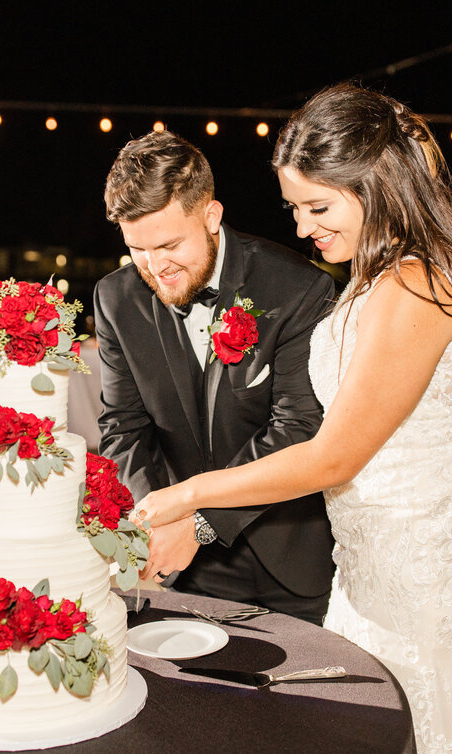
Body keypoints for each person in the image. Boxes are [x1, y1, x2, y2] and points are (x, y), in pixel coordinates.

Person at [135, 85, 452, 754]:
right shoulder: (383, 273)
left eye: (318, 207)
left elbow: (335, 455)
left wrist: (187, 494)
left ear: (378, 186)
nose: (301, 227)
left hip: (421, 565)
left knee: (422, 742)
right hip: (373, 555)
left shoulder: (415, 285)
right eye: (294, 208)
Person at [94, 130, 337, 624]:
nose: (155, 267)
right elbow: (123, 427)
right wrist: (153, 523)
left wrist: (201, 520)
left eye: (168, 244)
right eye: (137, 249)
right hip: (188, 564)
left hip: (291, 550)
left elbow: (298, 428)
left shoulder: (297, 287)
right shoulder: (115, 300)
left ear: (211, 216)